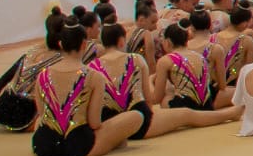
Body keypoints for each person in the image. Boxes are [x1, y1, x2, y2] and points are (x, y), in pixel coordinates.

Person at [91, 21, 239, 140]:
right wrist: (149, 80)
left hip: (109, 123)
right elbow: (150, 101)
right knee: (186, 114)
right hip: (141, 122)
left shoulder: (93, 66)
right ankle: (228, 114)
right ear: (122, 41)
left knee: (174, 101)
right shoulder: (135, 59)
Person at [29, 19, 146, 156]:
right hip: (78, 145)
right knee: (135, 116)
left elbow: (42, 115)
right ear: (84, 44)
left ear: (60, 44)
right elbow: (94, 122)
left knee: (38, 123)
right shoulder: (93, 76)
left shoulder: (42, 75)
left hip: (44, 146)